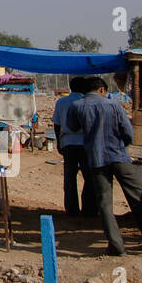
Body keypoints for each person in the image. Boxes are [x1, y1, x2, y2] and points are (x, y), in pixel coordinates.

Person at [67, 76, 142, 255]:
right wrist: (121, 144)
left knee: (104, 203)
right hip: (119, 156)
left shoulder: (76, 106)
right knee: (137, 198)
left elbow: (72, 127)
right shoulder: (113, 105)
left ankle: (116, 245)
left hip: (96, 160)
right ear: (102, 90)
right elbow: (128, 132)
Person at [52, 77, 97, 218]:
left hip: (68, 143)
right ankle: (89, 209)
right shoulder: (88, 103)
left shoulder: (61, 102)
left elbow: (57, 124)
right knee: (89, 177)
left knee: (70, 177)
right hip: (85, 143)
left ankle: (72, 210)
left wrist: (59, 142)